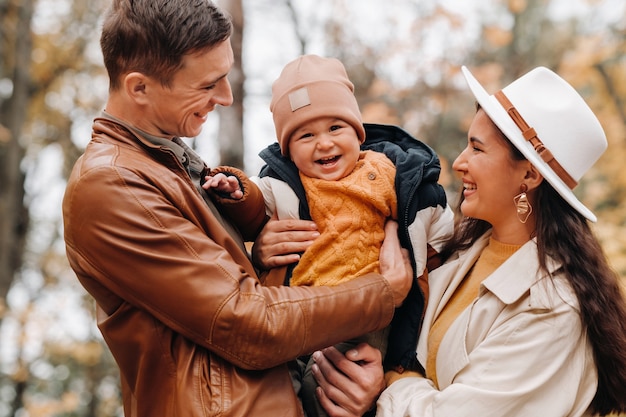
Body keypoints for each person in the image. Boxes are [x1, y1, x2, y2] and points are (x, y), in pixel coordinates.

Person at [61, 1, 414, 416]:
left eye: (225, 77)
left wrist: (258, 254)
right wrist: (382, 292)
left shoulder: (168, 165)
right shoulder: (112, 183)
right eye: (208, 84)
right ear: (139, 88)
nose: (226, 97)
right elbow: (243, 323)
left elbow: (210, 299)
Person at [366, 66, 626, 416]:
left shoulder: (551, 309)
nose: (459, 162)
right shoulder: (458, 251)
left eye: (477, 148)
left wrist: (390, 384)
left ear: (529, 175)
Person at [207, 54, 453, 417]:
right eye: (306, 135)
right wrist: (236, 190)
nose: (323, 143)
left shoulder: (386, 171)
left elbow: (434, 223)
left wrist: (433, 253)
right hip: (304, 310)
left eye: (336, 128)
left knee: (330, 385)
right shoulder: (287, 184)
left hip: (370, 313)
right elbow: (256, 204)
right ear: (288, 150)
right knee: (280, 379)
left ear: (358, 133)